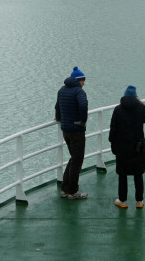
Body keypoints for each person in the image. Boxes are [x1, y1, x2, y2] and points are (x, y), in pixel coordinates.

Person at [109, 85, 145, 208]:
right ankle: (139, 201)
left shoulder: (118, 109)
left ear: (124, 95)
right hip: (138, 147)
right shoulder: (141, 108)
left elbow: (113, 129)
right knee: (138, 175)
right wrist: (140, 104)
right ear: (136, 96)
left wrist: (112, 142)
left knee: (123, 175)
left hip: (122, 148)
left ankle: (122, 201)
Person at [55, 66, 89, 199]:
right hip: (76, 131)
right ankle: (73, 191)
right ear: (78, 80)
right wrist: (83, 121)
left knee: (73, 158)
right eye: (83, 80)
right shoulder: (79, 92)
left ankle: (65, 188)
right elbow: (83, 105)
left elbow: (57, 106)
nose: (84, 83)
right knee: (77, 159)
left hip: (65, 130)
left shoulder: (61, 90)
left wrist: (59, 118)